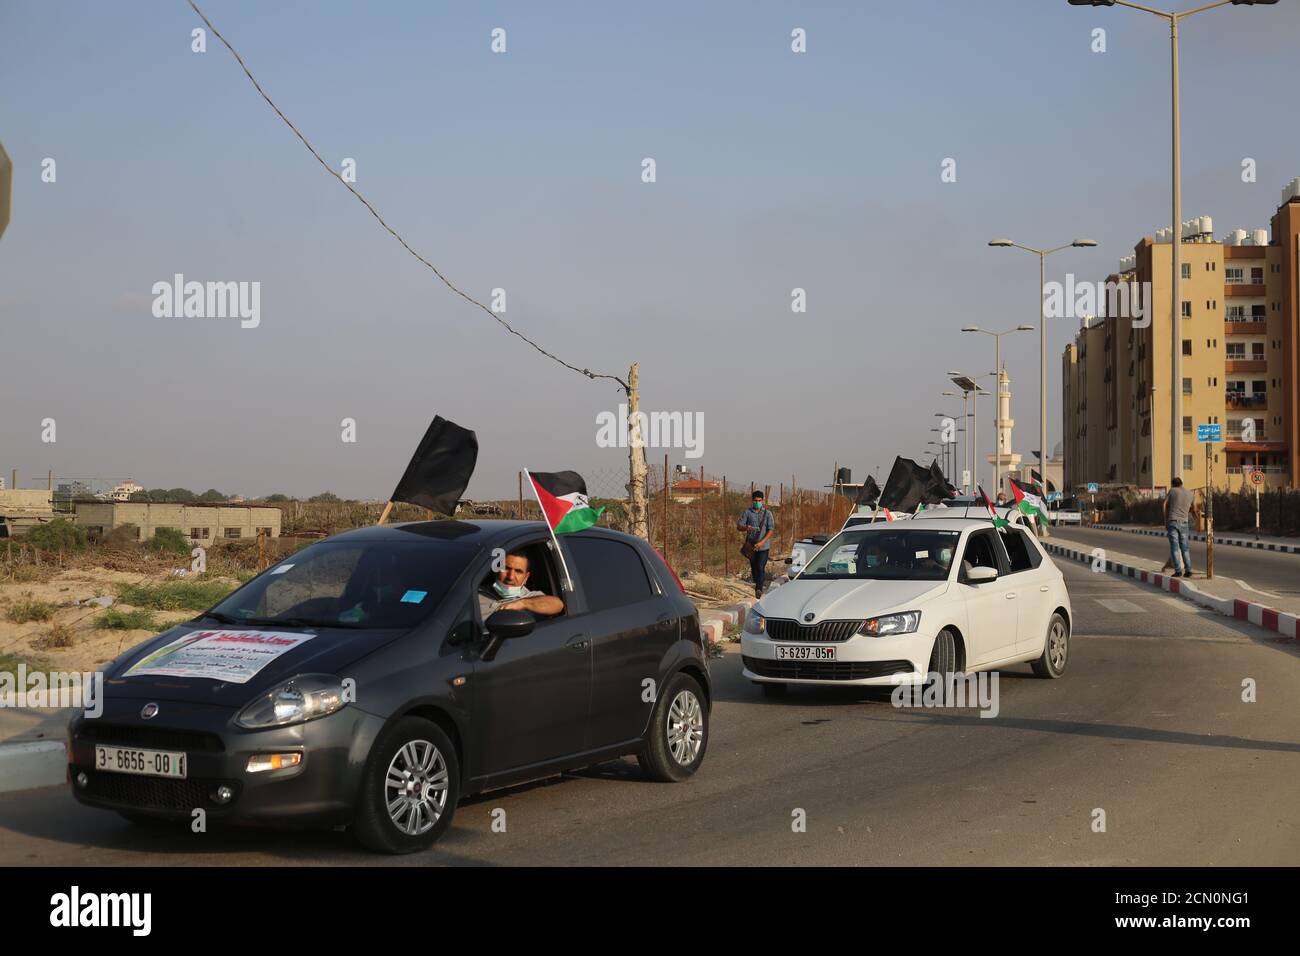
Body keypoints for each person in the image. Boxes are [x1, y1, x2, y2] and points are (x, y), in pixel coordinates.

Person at [477, 551, 565, 620]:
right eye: (506, 568)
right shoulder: (477, 593)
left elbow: (558, 605)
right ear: (497, 570)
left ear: (526, 577)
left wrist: (522, 604)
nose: (510, 577)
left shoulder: (532, 597)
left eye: (518, 571)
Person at [736, 490, 775, 600]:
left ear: (763, 501)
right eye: (755, 500)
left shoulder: (768, 514)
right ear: (752, 501)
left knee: (760, 566)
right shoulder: (747, 512)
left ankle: (759, 589)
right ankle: (757, 583)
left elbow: (771, 529)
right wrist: (746, 527)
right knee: (754, 568)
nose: (757, 502)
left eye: (759, 500)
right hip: (751, 547)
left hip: (763, 546)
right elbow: (739, 526)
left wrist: (762, 542)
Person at [1163, 477, 1198, 578]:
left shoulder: (1172, 491)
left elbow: (1164, 504)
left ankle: (1178, 571)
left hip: (1172, 522)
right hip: (1184, 523)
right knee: (1185, 547)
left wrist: (1165, 519)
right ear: (1181, 484)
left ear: (1173, 484)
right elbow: (1194, 509)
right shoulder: (1190, 494)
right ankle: (1188, 570)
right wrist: (1197, 521)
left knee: (1175, 547)